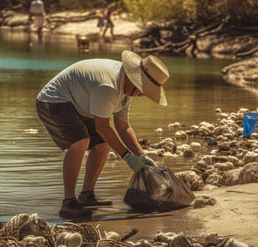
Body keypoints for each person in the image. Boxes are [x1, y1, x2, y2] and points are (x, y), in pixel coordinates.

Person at [36, 50, 170, 218]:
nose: (143, 94)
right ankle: (68, 203)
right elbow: (102, 127)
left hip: (79, 105)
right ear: (134, 78)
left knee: (103, 144)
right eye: (144, 90)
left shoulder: (127, 90)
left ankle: (87, 195)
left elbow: (123, 127)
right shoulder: (108, 86)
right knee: (81, 141)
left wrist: (141, 156)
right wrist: (128, 157)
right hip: (54, 99)